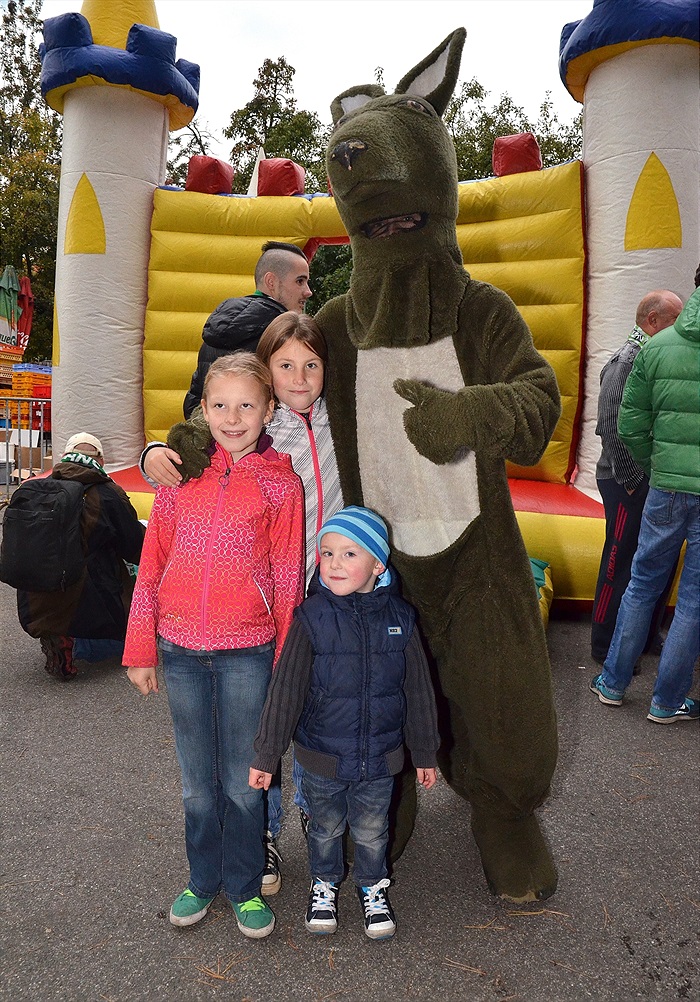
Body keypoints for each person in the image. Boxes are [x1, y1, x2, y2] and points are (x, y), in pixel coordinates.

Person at [143, 312, 344, 891]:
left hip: (326, 587)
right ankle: (265, 839)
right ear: (266, 371)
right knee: (259, 729)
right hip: (258, 597)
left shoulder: (341, 421)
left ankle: (317, 817)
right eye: (284, 365)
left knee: (313, 713)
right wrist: (159, 448)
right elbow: (188, 441)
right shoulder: (241, 426)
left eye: (311, 365)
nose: (299, 378)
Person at [124, 353, 305, 938]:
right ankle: (203, 880)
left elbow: (286, 576)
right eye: (220, 405)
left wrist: (283, 664)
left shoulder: (281, 483)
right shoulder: (179, 479)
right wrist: (140, 650)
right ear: (203, 409)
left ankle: (247, 885)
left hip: (248, 652)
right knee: (198, 783)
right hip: (178, 650)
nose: (233, 417)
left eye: (247, 404)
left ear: (268, 409)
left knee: (244, 780)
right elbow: (149, 566)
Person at [249, 506, 440, 941]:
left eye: (349, 554)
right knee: (325, 826)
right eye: (328, 553)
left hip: (380, 757)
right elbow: (286, 690)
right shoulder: (311, 618)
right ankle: (324, 883)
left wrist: (425, 751)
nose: (334, 563)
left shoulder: (401, 620)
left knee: (373, 830)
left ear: (378, 564)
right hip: (322, 756)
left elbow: (419, 693)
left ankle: (373, 887)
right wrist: (266, 753)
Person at [590, 286, 700, 723]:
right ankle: (666, 700)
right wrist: (636, 478)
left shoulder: (657, 350)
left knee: (641, 580)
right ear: (653, 318)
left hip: (666, 485)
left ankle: (614, 681)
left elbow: (631, 421)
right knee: (689, 598)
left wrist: (658, 466)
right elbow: (614, 423)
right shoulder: (631, 355)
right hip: (639, 483)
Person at [17, 433, 145, 679]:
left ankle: (61, 636)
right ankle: (75, 643)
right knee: (124, 642)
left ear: (65, 457)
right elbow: (135, 546)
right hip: (87, 598)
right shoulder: (106, 493)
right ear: (101, 461)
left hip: (34, 604)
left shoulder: (35, 488)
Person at [182, 241, 312, 418]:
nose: (308, 291)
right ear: (271, 282)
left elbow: (195, 402)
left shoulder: (217, 326)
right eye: (300, 281)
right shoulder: (283, 333)